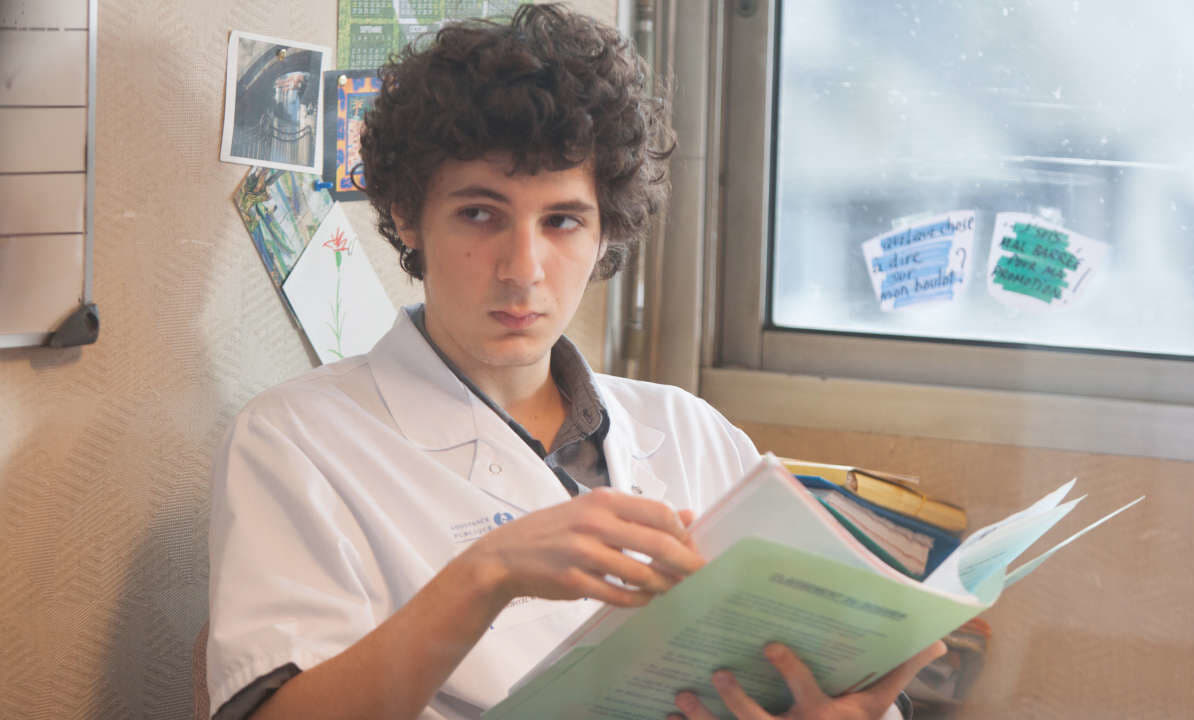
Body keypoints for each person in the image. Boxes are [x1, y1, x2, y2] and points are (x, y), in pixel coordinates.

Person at [205, 5, 944, 720]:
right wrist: (488, 574)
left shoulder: (690, 432)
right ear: (407, 216)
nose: (522, 269)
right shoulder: (297, 439)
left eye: (562, 221)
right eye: (479, 214)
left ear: (604, 231)